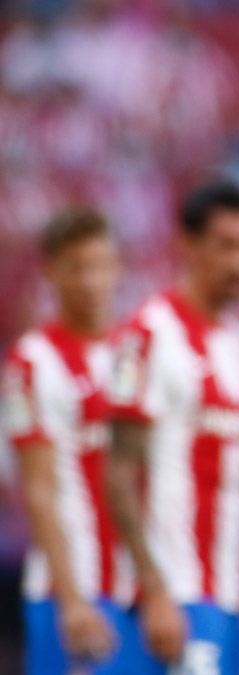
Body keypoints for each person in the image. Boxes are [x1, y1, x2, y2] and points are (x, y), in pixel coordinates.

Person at [105, 179, 239, 674]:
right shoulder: (149, 334)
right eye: (227, 246)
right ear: (188, 245)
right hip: (169, 593)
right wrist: (153, 591)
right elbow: (118, 472)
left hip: (227, 593)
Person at [2, 208, 140, 674]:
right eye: (76, 267)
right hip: (70, 593)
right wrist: (72, 600)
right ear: (51, 272)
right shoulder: (32, 363)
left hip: (140, 590)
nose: (91, 281)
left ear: (118, 268)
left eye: (101, 265)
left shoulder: (136, 352)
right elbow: (38, 488)